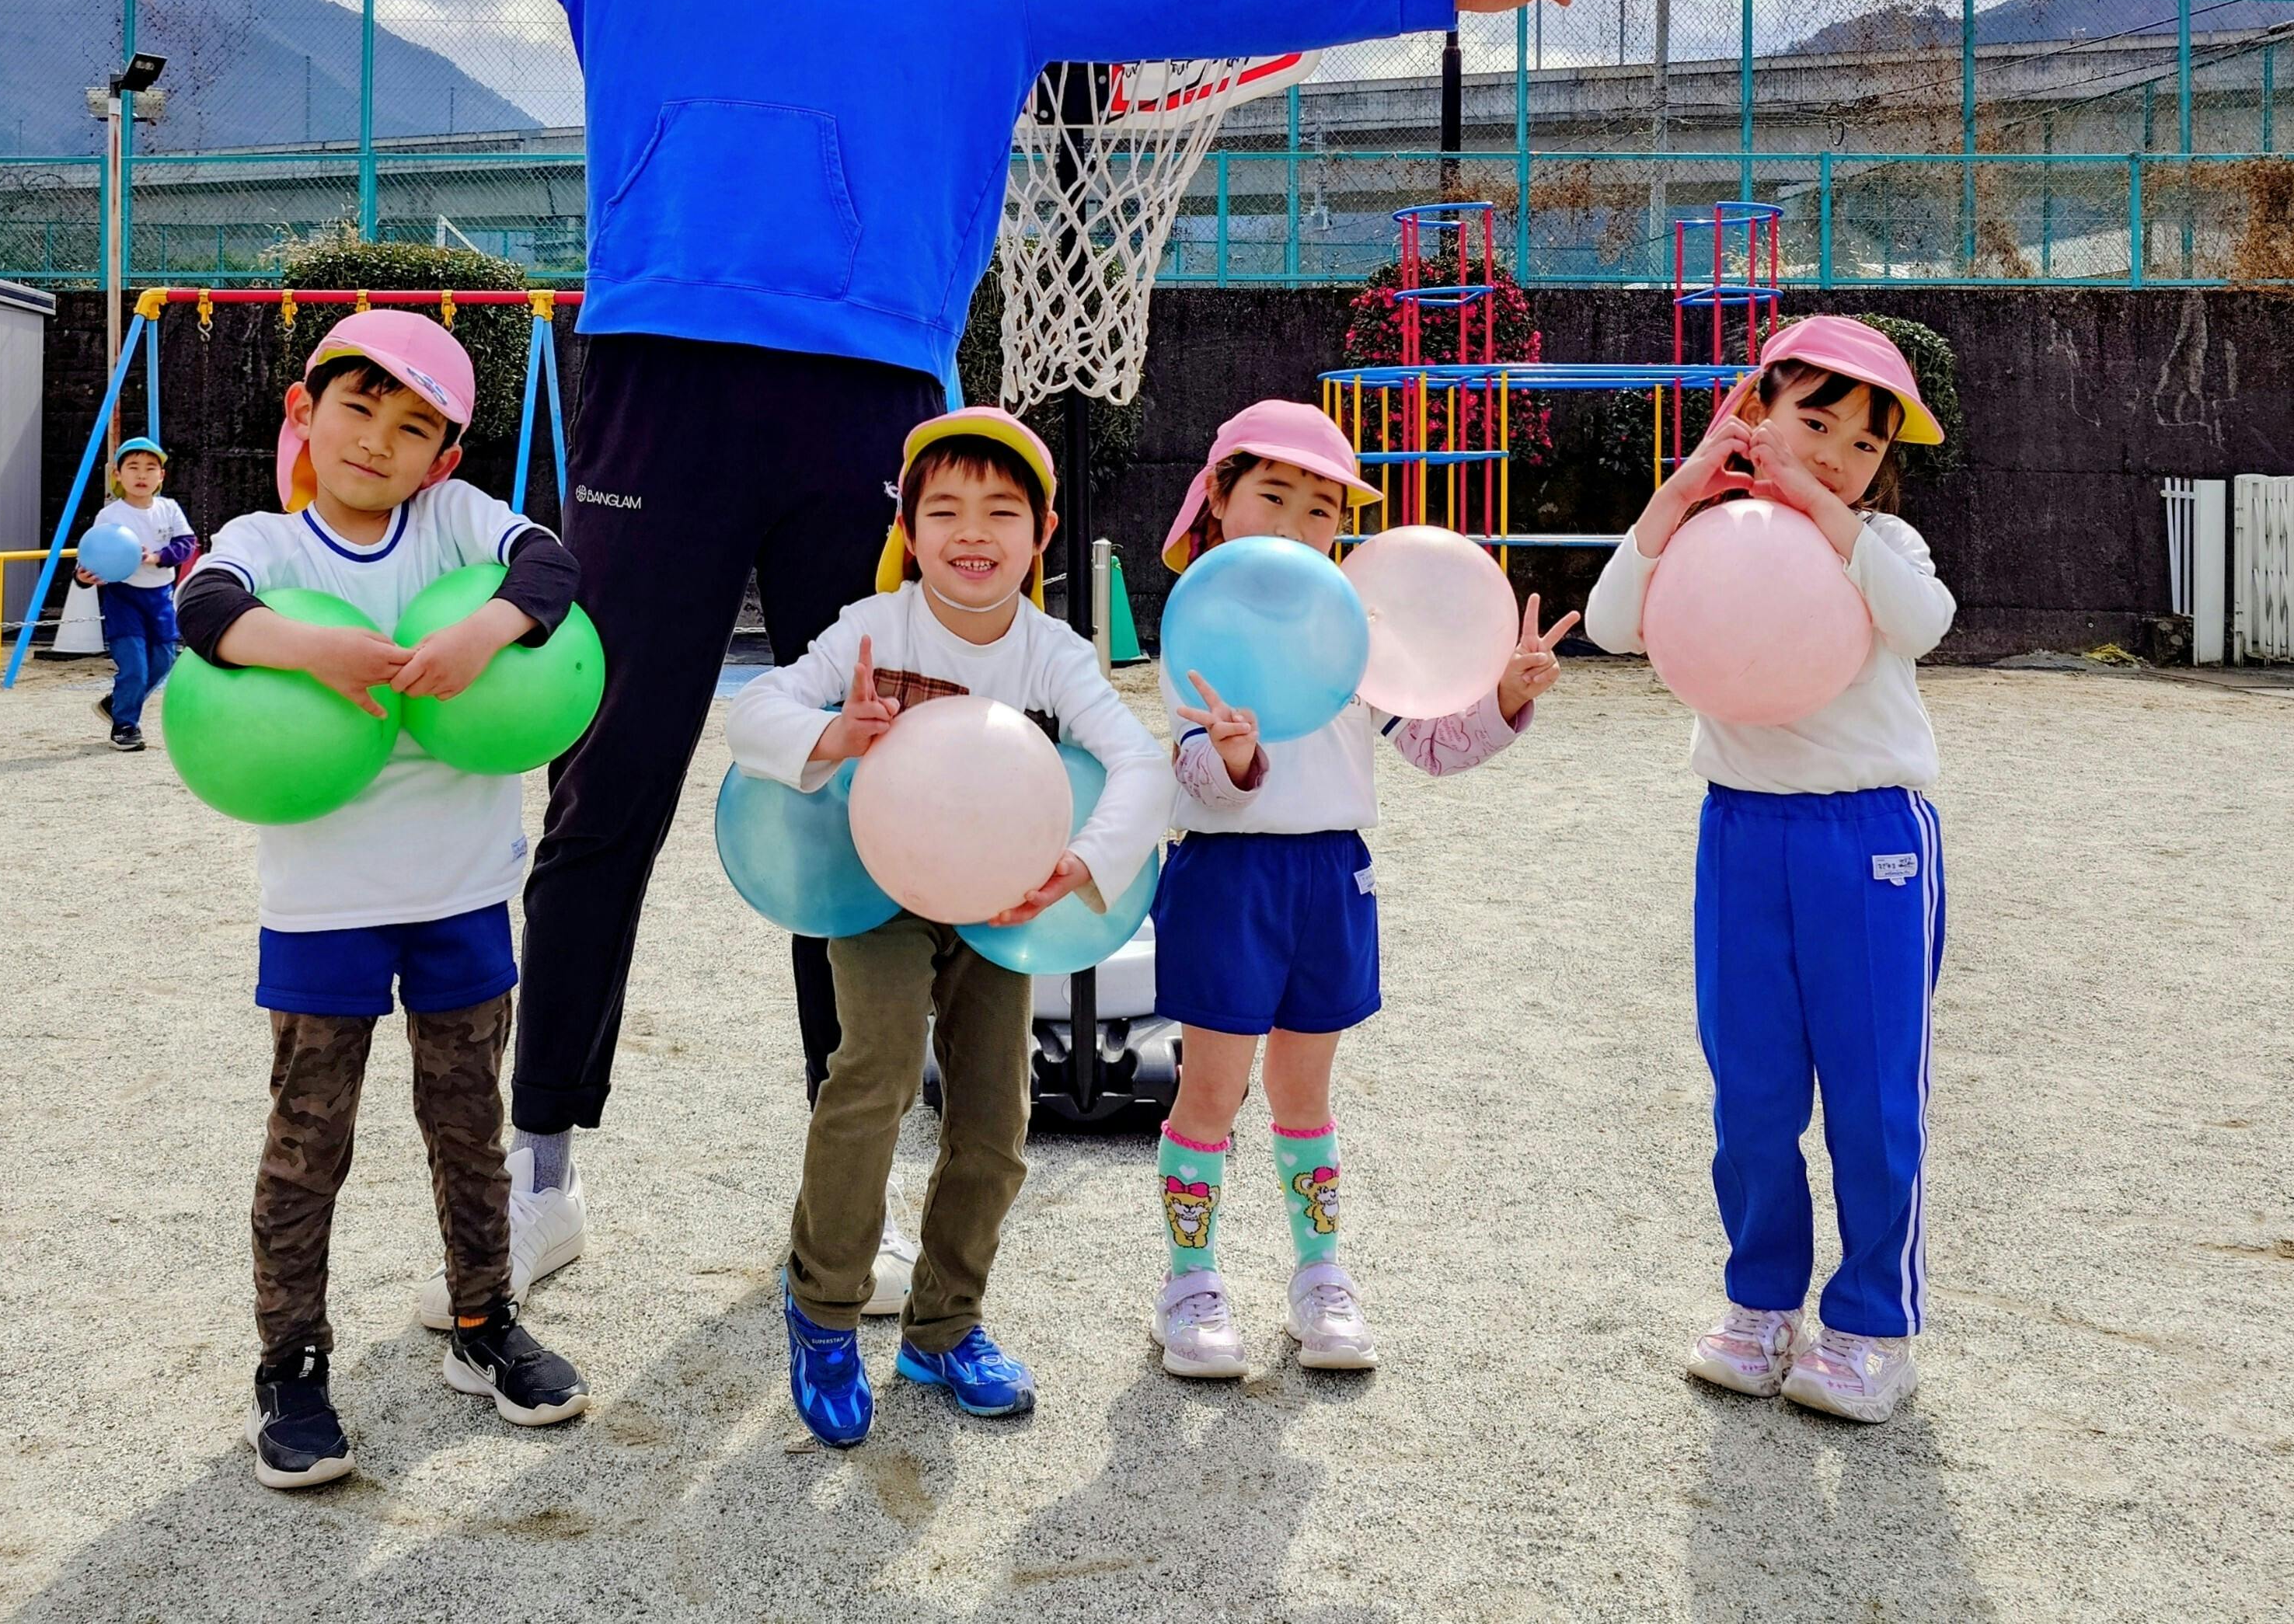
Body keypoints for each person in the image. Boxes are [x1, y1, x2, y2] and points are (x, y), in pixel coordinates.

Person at [0, 0, 1623, 1274]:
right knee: (606, 775)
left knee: (876, 773)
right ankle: (543, 1154)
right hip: (661, 373)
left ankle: (852, 1177)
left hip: (871, 398)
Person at [172, 310, 594, 1486]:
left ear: (441, 457)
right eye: (357, 408)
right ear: (304, 413)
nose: (377, 441)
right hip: (323, 902)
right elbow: (203, 610)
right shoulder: (266, 541)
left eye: (412, 428)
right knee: (310, 1139)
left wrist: (486, 632)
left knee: (468, 1128)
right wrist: (313, 651)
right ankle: (291, 1365)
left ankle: (483, 1321)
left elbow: (551, 567)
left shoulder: (454, 521)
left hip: (462, 891)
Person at [724, 409, 1166, 1447]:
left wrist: (1082, 862)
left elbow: (1139, 762)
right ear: (909, 529)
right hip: (879, 893)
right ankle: (825, 1310)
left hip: (997, 906)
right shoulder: (872, 626)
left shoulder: (1053, 652)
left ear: (1042, 532)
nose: (973, 532)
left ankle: (944, 1323)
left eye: (1001, 511)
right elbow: (752, 716)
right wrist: (835, 731)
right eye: (946, 510)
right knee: (873, 1075)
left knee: (996, 1119)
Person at [1149, 402, 1574, 1379]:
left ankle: (1321, 1278)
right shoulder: (1201, 621)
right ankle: (1190, 1285)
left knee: (1305, 1092)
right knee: (1211, 1090)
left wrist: (1506, 694)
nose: (1297, 524)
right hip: (1227, 878)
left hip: (1332, 878)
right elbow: (1192, 774)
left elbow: (1430, 743)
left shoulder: (1354, 633)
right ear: (1217, 501)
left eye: (1321, 508)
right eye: (1273, 496)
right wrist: (1234, 755)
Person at [1580, 318, 1954, 1426]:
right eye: (1814, 421)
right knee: (1750, 1090)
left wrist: (1824, 509)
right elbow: (1611, 623)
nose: (1836, 453)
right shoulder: (1709, 535)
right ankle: (1760, 1306)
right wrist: (1685, 488)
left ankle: (1873, 1326)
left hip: (1871, 838)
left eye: (1865, 443)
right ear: (1757, 412)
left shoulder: (1884, 545)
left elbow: (1924, 623)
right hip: (1742, 830)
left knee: (1872, 1096)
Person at [77, 436, 195, 750]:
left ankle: (116, 703)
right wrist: (83, 577)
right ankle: (125, 725)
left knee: (163, 661)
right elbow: (92, 556)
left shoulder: (169, 509)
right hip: (123, 598)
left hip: (161, 598)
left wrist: (157, 557)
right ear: (117, 474)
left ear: (161, 475)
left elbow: (186, 544)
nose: (142, 475)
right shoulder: (110, 516)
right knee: (134, 667)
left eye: (150, 468)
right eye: (133, 467)